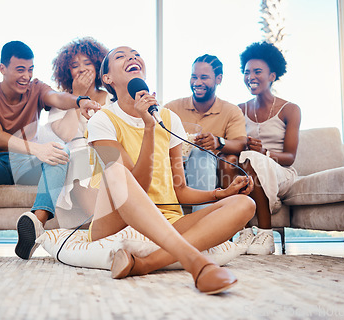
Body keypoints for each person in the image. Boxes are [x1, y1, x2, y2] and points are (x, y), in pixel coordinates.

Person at [86, 46, 256, 294]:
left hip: (166, 219)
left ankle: (144, 264)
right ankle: (196, 263)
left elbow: (180, 190)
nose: (132, 57)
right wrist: (148, 127)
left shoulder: (168, 118)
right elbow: (135, 188)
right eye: (121, 56)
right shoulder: (101, 121)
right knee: (117, 171)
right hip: (114, 220)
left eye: (135, 54)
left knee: (244, 205)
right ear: (107, 79)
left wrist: (221, 194)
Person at [0, 40, 101, 258]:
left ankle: (36, 224)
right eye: (20, 69)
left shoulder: (36, 88)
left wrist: (79, 100)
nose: (26, 76)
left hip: (25, 168)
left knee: (61, 151)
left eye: (30, 69)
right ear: (2, 68)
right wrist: (36, 149)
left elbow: (58, 97)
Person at [235, 41, 301, 255]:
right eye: (247, 72)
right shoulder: (239, 110)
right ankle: (244, 232)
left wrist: (264, 153)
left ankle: (265, 233)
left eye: (257, 71)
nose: (250, 77)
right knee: (242, 158)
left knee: (253, 159)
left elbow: (290, 157)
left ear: (272, 75)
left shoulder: (289, 109)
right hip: (248, 169)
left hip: (281, 172)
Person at [165, 54, 247, 213]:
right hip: (174, 168)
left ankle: (203, 221)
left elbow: (241, 143)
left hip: (206, 171)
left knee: (200, 154)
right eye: (193, 77)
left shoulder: (230, 111)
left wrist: (218, 142)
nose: (197, 83)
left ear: (219, 79)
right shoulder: (172, 109)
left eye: (204, 77)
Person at [44, 37, 111, 224]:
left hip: (109, 153)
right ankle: (104, 226)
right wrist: (76, 98)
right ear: (67, 72)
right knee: (80, 158)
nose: (81, 68)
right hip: (78, 157)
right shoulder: (61, 103)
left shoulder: (113, 98)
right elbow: (66, 134)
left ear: (98, 67)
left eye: (87, 63)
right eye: (75, 65)